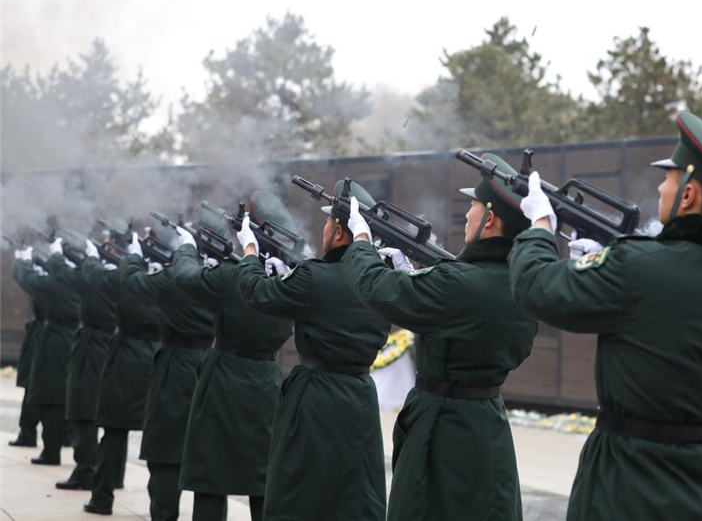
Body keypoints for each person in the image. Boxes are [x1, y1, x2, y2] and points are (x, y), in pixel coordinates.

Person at [508, 111, 702, 521]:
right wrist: (606, 263)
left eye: (667, 180)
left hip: (631, 483)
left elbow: (534, 286)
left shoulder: (637, 267)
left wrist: (540, 225)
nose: (661, 189)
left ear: (688, 195)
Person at [341, 155, 538, 521]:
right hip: (488, 423)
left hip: (442, 427)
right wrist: (412, 274)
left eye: (473, 207)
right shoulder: (522, 285)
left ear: (490, 220)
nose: (467, 215)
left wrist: (362, 242)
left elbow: (376, 289)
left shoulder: (459, 283)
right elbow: (460, 322)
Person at [234, 180, 391, 521]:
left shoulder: (314, 277)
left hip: (314, 395)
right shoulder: (382, 280)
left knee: (298, 488)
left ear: (338, 234)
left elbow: (255, 293)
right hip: (360, 395)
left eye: (328, 223)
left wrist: (248, 251)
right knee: (352, 492)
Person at [172, 197, 293, 521]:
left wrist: (185, 246)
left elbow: (186, 278)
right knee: (262, 476)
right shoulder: (291, 278)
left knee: (212, 474)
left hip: (224, 378)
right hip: (268, 378)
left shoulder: (231, 276)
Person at [120, 223, 214, 521]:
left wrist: (134, 256)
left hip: (176, 364)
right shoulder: (219, 274)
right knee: (207, 454)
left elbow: (133, 283)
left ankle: (164, 514)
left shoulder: (173, 277)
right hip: (213, 364)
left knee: (164, 448)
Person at [82, 236, 162, 515]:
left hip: (127, 355)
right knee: (158, 441)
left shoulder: (129, 277)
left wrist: (93, 256)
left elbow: (97, 278)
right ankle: (161, 509)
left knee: (114, 429)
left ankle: (102, 497)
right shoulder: (174, 277)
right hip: (163, 356)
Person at [48, 237, 116, 491]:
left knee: (83, 409)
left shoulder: (99, 277)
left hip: (92, 347)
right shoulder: (118, 274)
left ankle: (85, 470)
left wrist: (56, 255)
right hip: (109, 344)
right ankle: (112, 475)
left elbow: (66, 277)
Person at [12, 241, 81, 465]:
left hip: (55, 342)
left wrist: (22, 260)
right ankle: (66, 438)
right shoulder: (82, 280)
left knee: (50, 398)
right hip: (76, 339)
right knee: (67, 395)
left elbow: (27, 280)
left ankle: (51, 451)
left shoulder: (56, 283)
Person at [8, 275, 45, 448]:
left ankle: (28, 434)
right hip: (48, 336)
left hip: (45, 337)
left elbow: (29, 283)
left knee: (34, 388)